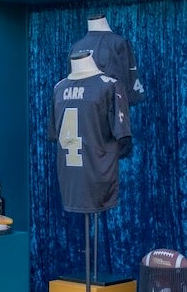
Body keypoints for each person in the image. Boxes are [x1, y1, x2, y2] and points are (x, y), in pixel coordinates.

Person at [51, 50, 131, 213]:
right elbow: (124, 138)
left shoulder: (59, 89)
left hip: (72, 176)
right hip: (97, 174)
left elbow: (54, 135)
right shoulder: (109, 85)